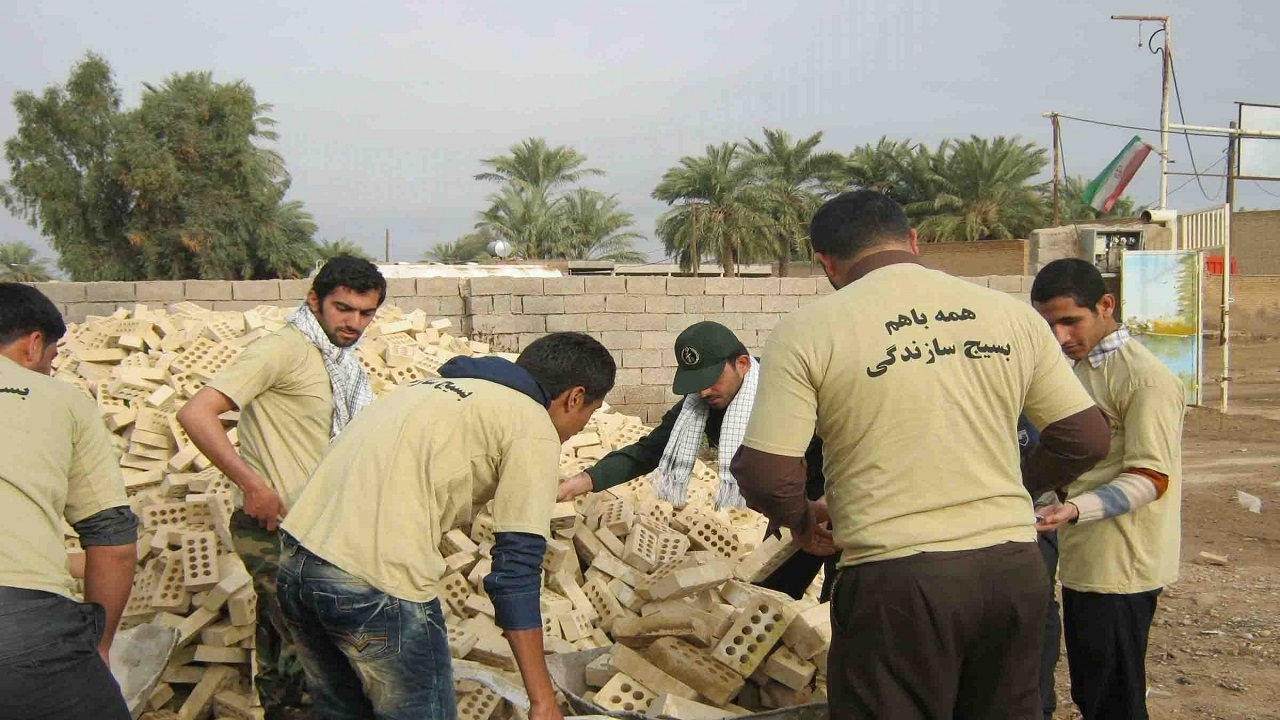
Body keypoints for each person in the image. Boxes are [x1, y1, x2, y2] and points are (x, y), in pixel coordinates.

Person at [730, 191, 1112, 719]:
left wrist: (801, 520)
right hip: (1012, 569)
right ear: (913, 241)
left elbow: (766, 472)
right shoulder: (1010, 317)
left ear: (825, 263)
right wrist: (1007, 485)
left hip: (896, 582)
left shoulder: (809, 330)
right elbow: (1086, 437)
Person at [277, 332, 616, 720]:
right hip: (373, 584)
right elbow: (515, 572)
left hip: (296, 565)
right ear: (575, 397)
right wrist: (542, 700)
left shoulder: (423, 389)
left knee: (343, 711)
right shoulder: (531, 424)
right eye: (590, 412)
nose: (581, 426)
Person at [178, 255, 387, 714]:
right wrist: (254, 486)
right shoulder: (283, 349)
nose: (354, 323)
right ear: (314, 301)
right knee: (314, 652)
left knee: (285, 650)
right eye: (343, 309)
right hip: (277, 531)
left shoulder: (340, 363)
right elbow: (196, 413)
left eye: (366, 313)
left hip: (319, 531)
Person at [556, 321, 836, 601]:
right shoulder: (702, 403)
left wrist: (830, 500)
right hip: (787, 499)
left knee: (847, 590)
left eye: (711, 380)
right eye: (697, 384)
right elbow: (650, 450)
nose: (703, 392)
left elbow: (852, 437)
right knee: (773, 593)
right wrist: (583, 481)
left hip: (842, 485)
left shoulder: (790, 385)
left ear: (742, 364)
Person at [1031, 258, 1184, 720]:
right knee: (1092, 687)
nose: (1060, 336)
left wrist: (1074, 510)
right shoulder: (1075, 370)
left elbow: (1151, 478)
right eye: (1049, 324)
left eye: (1070, 321)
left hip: (1122, 564)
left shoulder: (1144, 378)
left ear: (1105, 305)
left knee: (1112, 697)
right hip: (1085, 558)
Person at [0, 283, 139, 719]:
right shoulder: (62, 401)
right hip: (24, 628)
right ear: (33, 344)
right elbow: (113, 543)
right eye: (51, 361)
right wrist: (97, 646)